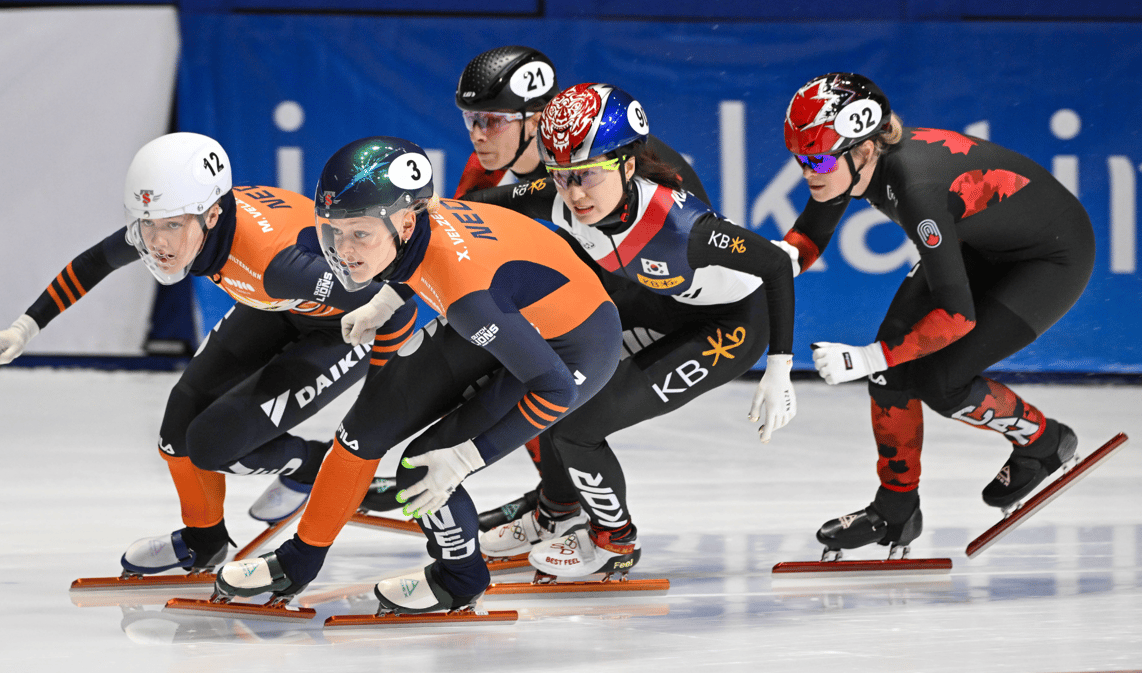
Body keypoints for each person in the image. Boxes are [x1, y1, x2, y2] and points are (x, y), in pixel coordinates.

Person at [0, 132, 416, 575]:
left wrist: (375, 402)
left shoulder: (276, 264)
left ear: (212, 215)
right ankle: (205, 542)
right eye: (148, 223)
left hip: (337, 330)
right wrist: (23, 328)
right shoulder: (181, 213)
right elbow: (94, 262)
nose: (158, 242)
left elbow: (397, 299)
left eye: (171, 225)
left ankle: (310, 464)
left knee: (213, 446)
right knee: (177, 428)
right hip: (274, 307)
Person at [212, 136, 622, 615]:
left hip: (573, 348)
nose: (344, 251)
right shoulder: (417, 226)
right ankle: (296, 562)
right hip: (511, 314)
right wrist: (385, 300)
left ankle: (460, 579)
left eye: (360, 234)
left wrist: (467, 458)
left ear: (405, 222)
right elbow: (417, 261)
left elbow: (555, 387)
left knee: (425, 465)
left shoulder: (468, 298)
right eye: (333, 233)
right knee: (362, 429)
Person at [461, 83, 799, 578]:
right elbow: (489, 201)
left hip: (732, 326)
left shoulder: (684, 227)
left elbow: (774, 265)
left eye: (588, 177)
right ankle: (556, 512)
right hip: (665, 303)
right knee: (553, 381)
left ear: (626, 164)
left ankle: (614, 541)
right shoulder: (564, 198)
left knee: (579, 427)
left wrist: (781, 369)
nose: (575, 195)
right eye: (561, 177)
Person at [779, 72, 1095, 556]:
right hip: (984, 241)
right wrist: (759, 271)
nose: (807, 172)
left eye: (817, 158)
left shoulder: (918, 188)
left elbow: (956, 316)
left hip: (1051, 258)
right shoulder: (851, 163)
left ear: (864, 151)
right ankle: (895, 510)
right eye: (800, 158)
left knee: (940, 381)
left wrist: (871, 356)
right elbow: (808, 236)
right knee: (891, 371)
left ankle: (1044, 441)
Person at [452, 45, 709, 206]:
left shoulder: (595, 150)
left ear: (535, 121)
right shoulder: (486, 162)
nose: (477, 135)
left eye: (492, 121)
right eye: (471, 120)